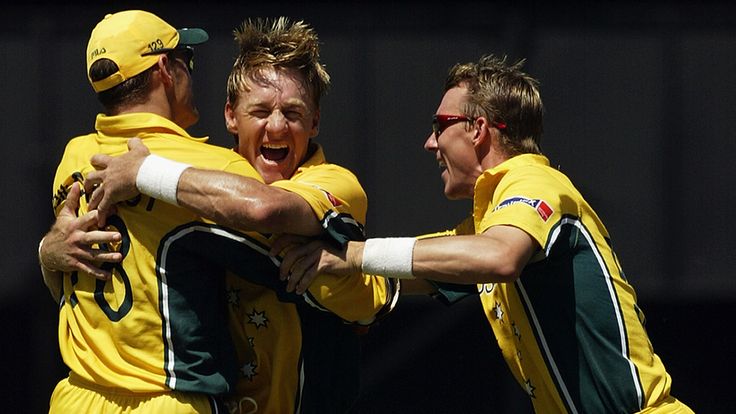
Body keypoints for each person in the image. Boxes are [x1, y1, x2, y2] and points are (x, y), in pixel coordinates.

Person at [278, 55, 694, 413]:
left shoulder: (534, 180)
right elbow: (398, 275)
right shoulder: (487, 223)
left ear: (477, 129)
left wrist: (353, 254)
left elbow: (499, 258)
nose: (429, 143)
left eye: (439, 125)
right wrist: (320, 265)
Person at [40, 17, 398, 414]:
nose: (276, 126)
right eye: (260, 111)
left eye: (293, 113)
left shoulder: (336, 184)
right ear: (231, 115)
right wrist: (48, 249)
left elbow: (266, 209)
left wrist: (145, 174)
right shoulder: (205, 173)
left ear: (315, 121)